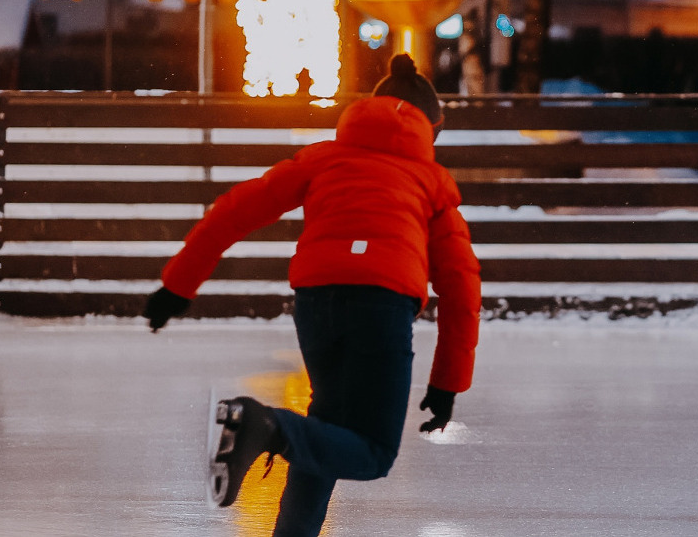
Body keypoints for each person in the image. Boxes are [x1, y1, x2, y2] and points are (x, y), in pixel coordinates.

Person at [142, 53, 482, 537]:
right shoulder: (432, 183)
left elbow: (235, 210)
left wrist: (178, 286)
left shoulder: (325, 157)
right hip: (381, 306)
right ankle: (266, 426)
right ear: (433, 128)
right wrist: (448, 381)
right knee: (372, 451)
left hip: (317, 303)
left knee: (325, 427)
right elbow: (460, 285)